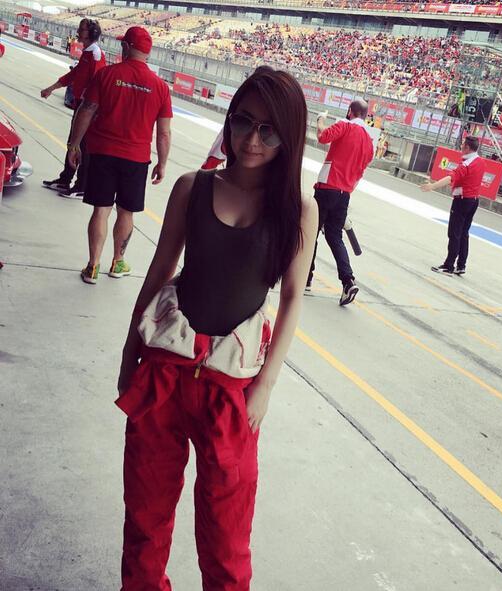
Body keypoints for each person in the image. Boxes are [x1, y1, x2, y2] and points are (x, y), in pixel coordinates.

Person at [115, 67, 317, 591]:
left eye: (269, 130)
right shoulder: (193, 187)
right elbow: (159, 271)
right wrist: (129, 353)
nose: (252, 140)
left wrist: (265, 385)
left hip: (232, 389)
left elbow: (292, 298)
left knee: (227, 538)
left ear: (289, 137)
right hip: (164, 373)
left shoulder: (299, 211)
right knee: (145, 519)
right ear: (228, 122)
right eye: (243, 122)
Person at [66, 26, 172, 285]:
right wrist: (162, 163)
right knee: (126, 213)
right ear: (148, 53)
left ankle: (93, 266)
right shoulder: (160, 87)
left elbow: (86, 110)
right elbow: (164, 132)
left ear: (127, 47)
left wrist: (74, 145)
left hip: (102, 153)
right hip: (136, 159)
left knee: (101, 210)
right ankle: (118, 262)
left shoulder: (107, 75)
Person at [307, 99, 373, 306]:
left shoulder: (344, 125)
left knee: (311, 231)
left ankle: (306, 276)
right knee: (335, 237)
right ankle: (347, 280)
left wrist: (320, 120)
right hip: (345, 193)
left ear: (350, 111)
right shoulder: (369, 141)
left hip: (327, 187)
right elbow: (362, 170)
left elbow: (322, 137)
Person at [41, 19, 105, 199]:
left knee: (82, 146)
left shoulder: (96, 55)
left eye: (82, 29)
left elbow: (98, 84)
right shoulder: (87, 53)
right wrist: (51, 88)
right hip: (80, 106)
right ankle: (65, 179)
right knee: (73, 143)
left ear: (91, 33)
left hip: (87, 110)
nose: (78, 32)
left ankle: (81, 186)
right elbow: (73, 75)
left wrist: (89, 109)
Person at [421, 136, 485, 276]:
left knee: (454, 233)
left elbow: (451, 177)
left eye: (462, 144)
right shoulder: (480, 162)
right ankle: (461, 265)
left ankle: (448, 265)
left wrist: (432, 186)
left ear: (467, 147)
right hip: (473, 200)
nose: (461, 146)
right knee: (464, 233)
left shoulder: (466, 165)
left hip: (462, 201)